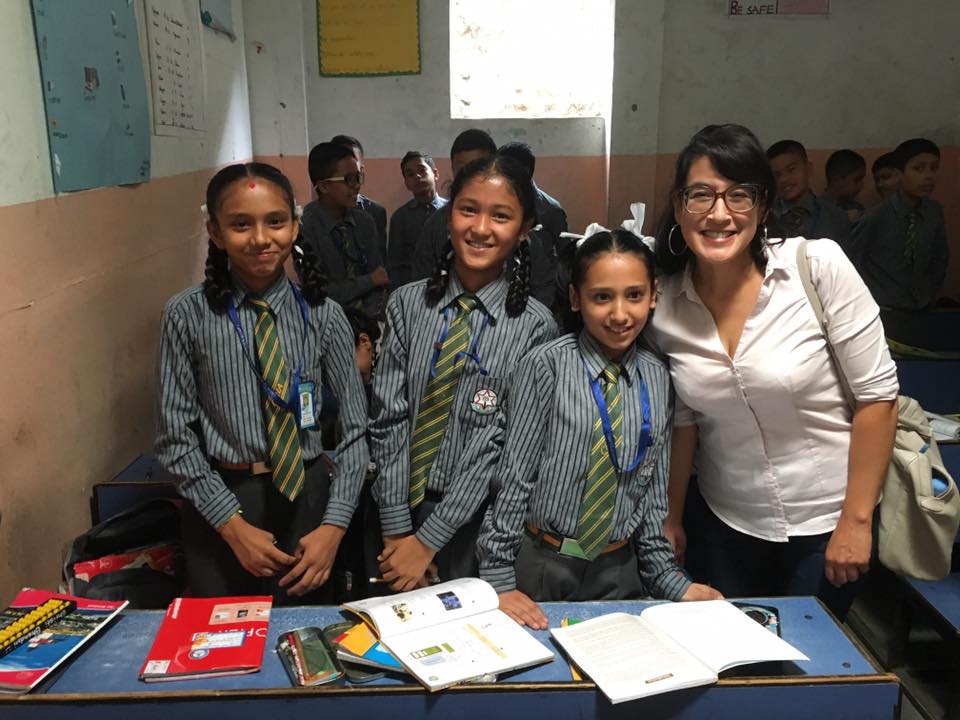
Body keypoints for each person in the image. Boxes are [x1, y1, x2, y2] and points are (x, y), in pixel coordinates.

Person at [650, 124, 899, 620]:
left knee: (803, 662)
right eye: (701, 195)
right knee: (735, 665)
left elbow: (877, 398)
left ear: (762, 207)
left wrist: (855, 520)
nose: (719, 213)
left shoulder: (818, 267)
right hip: (724, 522)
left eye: (739, 195)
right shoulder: (665, 305)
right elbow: (684, 423)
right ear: (679, 208)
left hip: (825, 522)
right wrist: (672, 518)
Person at [476, 228, 721, 629]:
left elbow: (653, 494)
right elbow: (514, 478)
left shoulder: (659, 377)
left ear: (654, 295)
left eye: (634, 295)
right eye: (602, 297)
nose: (620, 314)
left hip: (619, 568)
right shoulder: (546, 366)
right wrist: (499, 578)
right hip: (543, 563)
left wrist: (669, 580)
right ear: (576, 299)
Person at [155, 162, 369, 603]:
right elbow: (175, 439)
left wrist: (333, 527)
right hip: (223, 503)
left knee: (310, 647)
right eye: (240, 224)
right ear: (214, 232)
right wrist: (231, 527)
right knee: (224, 651)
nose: (259, 239)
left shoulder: (324, 315)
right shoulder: (187, 315)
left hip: (310, 502)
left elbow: (354, 434)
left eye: (275, 221)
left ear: (294, 225)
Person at [370, 152, 559, 592]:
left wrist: (429, 541)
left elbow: (506, 443)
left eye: (501, 216)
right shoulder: (407, 305)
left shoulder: (535, 327)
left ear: (524, 229)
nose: (479, 228)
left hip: (476, 525)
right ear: (449, 214)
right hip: (393, 512)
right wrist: (398, 529)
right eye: (468, 209)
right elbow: (388, 418)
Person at [849, 138, 948, 310]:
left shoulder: (934, 212)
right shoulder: (875, 217)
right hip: (883, 307)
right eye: (918, 168)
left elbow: (940, 257)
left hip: (921, 307)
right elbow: (852, 262)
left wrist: (929, 294)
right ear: (898, 174)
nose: (928, 176)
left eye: (934, 168)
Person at [300, 142, 390, 320]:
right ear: (324, 186)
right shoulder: (306, 227)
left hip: (369, 320)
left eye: (359, 177)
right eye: (349, 179)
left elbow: (381, 278)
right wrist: (368, 281)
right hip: (327, 321)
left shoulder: (365, 221)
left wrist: (370, 322)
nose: (357, 185)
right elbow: (319, 293)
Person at [411, 129, 498, 281]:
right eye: (462, 169)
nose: (470, 177)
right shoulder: (436, 224)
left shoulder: (512, 223)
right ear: (452, 170)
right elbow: (422, 280)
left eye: (478, 168)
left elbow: (539, 284)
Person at [498, 141, 569, 309]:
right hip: (502, 288)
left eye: (505, 169)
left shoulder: (550, 210)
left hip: (541, 294)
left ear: (526, 171)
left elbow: (564, 255)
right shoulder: (497, 202)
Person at [767, 139, 850, 248]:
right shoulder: (764, 217)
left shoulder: (835, 217)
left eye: (791, 169)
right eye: (776, 174)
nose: (784, 179)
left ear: (808, 169)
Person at [387, 151, 447, 289]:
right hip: (413, 289)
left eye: (422, 170)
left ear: (435, 174)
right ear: (406, 183)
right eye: (410, 174)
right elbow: (394, 264)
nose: (417, 176)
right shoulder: (400, 218)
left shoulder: (451, 211)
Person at [332, 134, 389, 263]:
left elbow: (379, 263)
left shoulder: (375, 212)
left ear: (361, 170)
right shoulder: (315, 217)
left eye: (352, 159)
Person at [823, 149, 866, 223]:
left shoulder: (858, 209)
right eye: (857, 180)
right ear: (836, 180)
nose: (861, 185)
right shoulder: (817, 209)